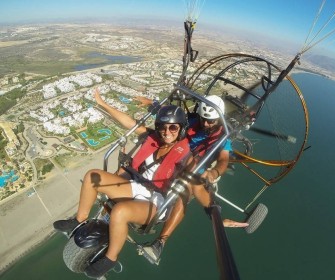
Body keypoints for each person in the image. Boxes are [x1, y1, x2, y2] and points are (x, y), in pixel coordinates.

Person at [53, 90, 191, 278]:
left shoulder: (186, 156)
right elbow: (127, 122)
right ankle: (79, 219)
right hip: (137, 185)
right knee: (92, 176)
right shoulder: (153, 138)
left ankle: (110, 258)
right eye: (163, 127)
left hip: (157, 201)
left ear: (181, 128)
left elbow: (191, 183)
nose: (167, 132)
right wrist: (103, 104)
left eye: (173, 128)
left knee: (120, 212)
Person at [142, 95, 248, 263]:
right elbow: (171, 117)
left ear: (219, 120)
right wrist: (152, 103)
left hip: (194, 169)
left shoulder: (223, 137)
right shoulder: (192, 121)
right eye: (204, 119)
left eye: (211, 121)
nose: (206, 124)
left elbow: (223, 160)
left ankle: (160, 243)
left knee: (185, 190)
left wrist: (214, 173)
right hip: (174, 155)